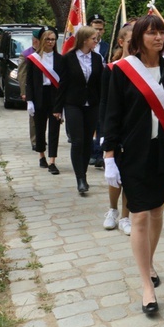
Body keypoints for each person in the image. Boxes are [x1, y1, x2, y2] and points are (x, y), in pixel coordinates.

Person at [102, 14, 164, 315]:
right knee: (139, 216)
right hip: (133, 154)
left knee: (156, 211)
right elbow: (111, 116)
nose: (158, 38)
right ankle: (146, 286)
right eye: (151, 33)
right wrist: (109, 158)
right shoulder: (122, 72)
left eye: (161, 33)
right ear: (139, 38)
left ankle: (149, 261)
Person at [54, 26, 103, 195]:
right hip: (73, 103)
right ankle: (80, 178)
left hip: (92, 104)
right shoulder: (68, 58)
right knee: (78, 141)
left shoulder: (97, 59)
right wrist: (57, 108)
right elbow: (63, 84)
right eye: (93, 39)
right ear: (84, 40)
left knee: (88, 140)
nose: (96, 42)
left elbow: (99, 84)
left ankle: (84, 174)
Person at [99, 24, 133, 235]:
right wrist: (103, 133)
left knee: (129, 173)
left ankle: (126, 216)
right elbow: (104, 103)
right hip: (115, 128)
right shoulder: (112, 69)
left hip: (134, 128)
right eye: (131, 42)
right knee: (115, 175)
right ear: (121, 42)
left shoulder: (144, 68)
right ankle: (112, 209)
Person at [26, 27, 64, 174]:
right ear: (42, 40)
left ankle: (52, 160)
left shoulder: (60, 59)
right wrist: (29, 100)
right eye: (48, 39)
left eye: (53, 39)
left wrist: (62, 104)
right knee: (40, 128)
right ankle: (41, 155)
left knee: (54, 129)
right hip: (39, 96)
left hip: (54, 96)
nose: (50, 42)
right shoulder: (34, 59)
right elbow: (29, 82)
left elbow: (63, 83)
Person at [88, 14, 109, 169]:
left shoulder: (107, 46)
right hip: (90, 89)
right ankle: (91, 152)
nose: (98, 32)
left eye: (100, 29)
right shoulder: (86, 47)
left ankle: (99, 153)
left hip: (104, 87)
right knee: (91, 123)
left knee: (101, 123)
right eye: (95, 29)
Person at [18, 29, 41, 150]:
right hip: (32, 90)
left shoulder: (45, 53)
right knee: (33, 116)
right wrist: (23, 92)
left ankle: (41, 138)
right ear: (35, 41)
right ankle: (35, 140)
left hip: (43, 90)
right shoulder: (26, 54)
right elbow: (22, 75)